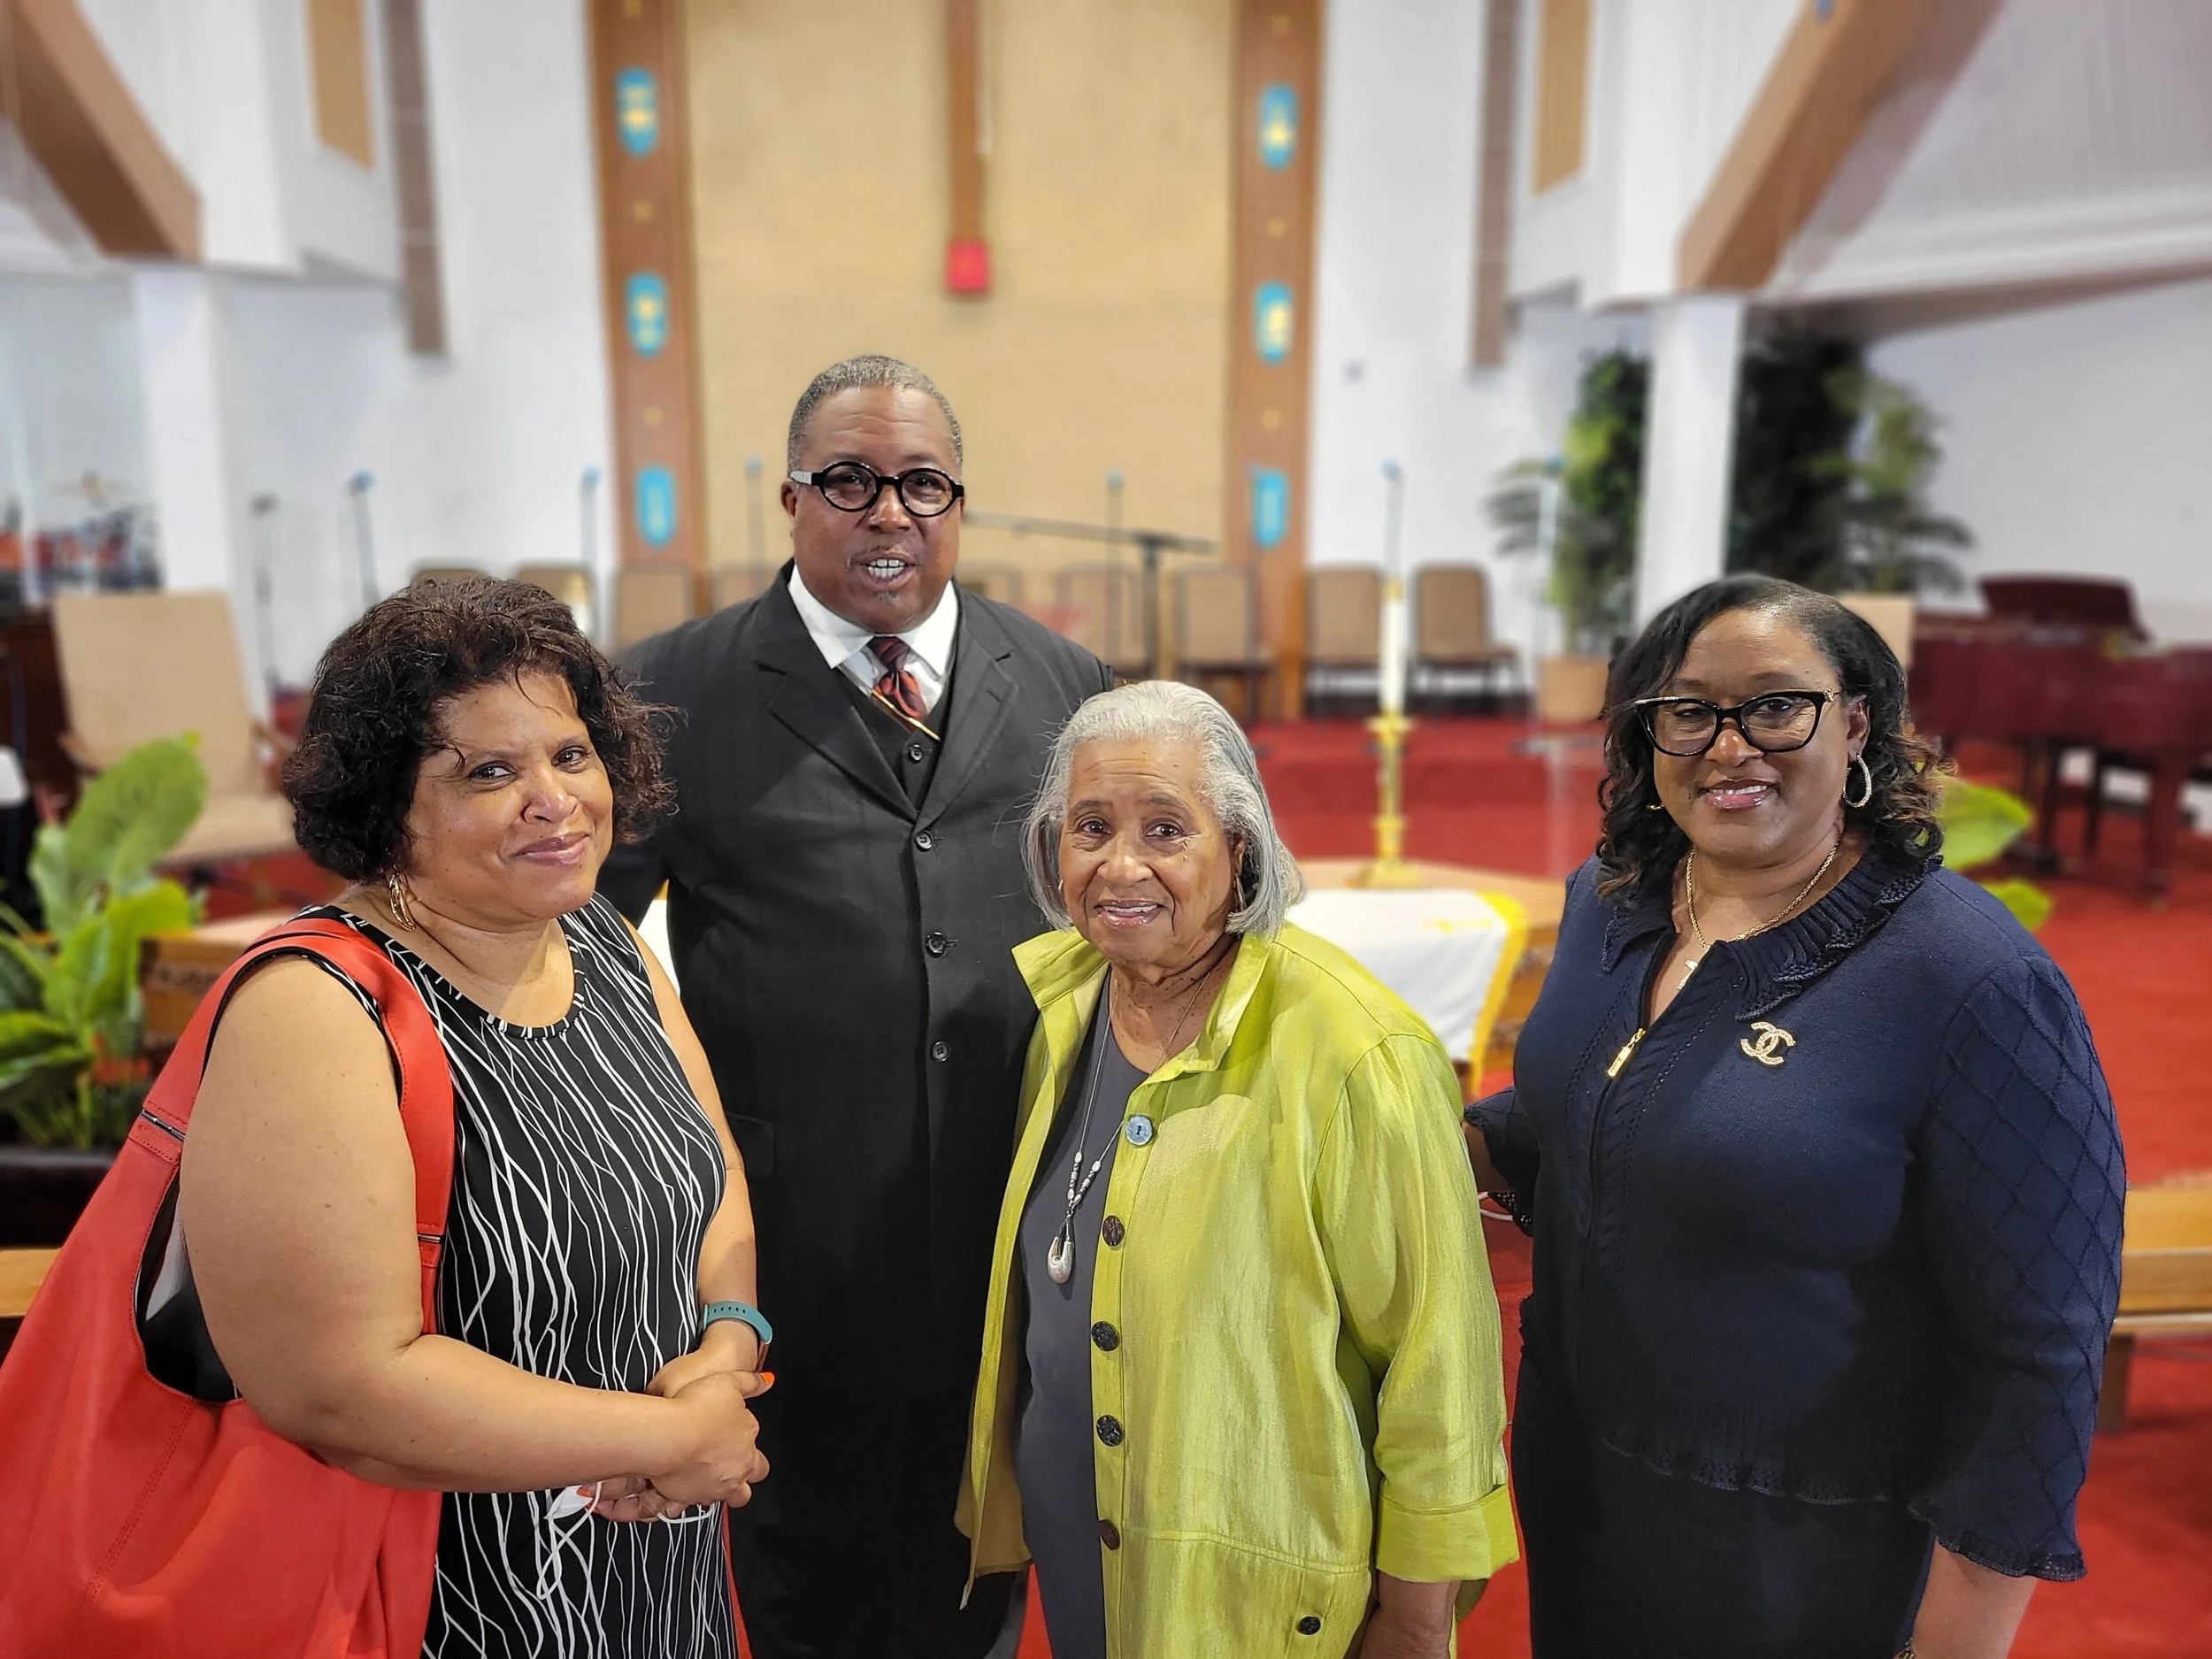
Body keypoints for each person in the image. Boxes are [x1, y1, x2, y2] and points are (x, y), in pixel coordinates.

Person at [1465, 575, 2125, 1659]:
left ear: (1855, 720)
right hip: (1580, 1473)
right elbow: (1600, 1104)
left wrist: (1960, 1641)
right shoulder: (1615, 895)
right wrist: (1425, 1149)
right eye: (1688, 711)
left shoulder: (1968, 981)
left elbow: (2039, 1346)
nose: (1730, 745)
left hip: (1801, 1540)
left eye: (1775, 706)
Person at [600, 355, 1113, 1656]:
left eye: (922, 483)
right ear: (791, 499)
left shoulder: (1065, 681)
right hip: (791, 1235)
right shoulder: (669, 688)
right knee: (814, 1568)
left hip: (1022, 1215)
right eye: (849, 480)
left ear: (959, 504)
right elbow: (583, 946)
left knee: (995, 1548)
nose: (889, 512)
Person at [173, 579, 764, 1655]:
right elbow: (344, 1389)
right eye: (490, 772)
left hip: (653, 1575)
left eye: (570, 755)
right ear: (385, 804)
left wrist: (730, 1343)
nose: (555, 800)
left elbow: (710, 1177)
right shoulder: (317, 1005)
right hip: (437, 1597)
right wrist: (674, 1433)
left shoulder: (603, 943)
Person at [959, 680, 1517, 1659]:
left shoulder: (1352, 1050)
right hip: (1081, 1546)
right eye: (1090, 826)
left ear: (1241, 849)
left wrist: (1418, 1620)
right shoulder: (1061, 1007)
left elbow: (1441, 1369)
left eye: (1166, 830)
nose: (1120, 864)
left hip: (1258, 1585)